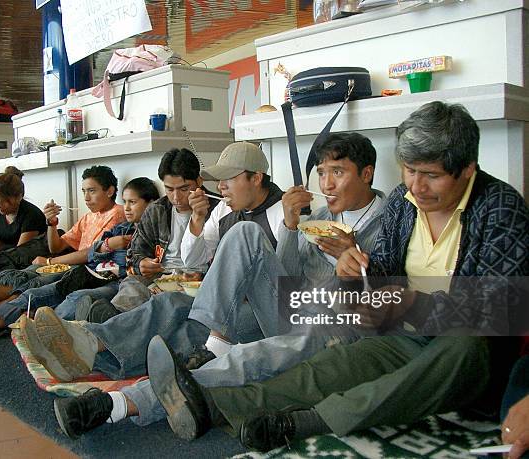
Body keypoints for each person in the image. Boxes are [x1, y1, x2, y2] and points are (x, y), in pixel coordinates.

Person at [146, 101, 529, 451]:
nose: (417, 186)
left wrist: (402, 304)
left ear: (467, 171)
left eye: (431, 176)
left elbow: (494, 313)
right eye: (409, 171)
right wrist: (353, 268)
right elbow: (378, 280)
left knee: (461, 346)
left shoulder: (500, 208)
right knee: (326, 368)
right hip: (398, 332)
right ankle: (216, 405)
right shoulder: (403, 201)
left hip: (464, 351)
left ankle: (312, 421)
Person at [47, 133, 390, 439]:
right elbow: (287, 277)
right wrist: (290, 226)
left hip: (338, 327)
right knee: (241, 238)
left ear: (367, 173)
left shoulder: (391, 223)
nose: (327, 184)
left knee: (247, 356)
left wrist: (356, 263)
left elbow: (392, 309)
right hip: (287, 308)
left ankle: (118, 403)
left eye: (338, 173)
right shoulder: (318, 219)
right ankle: (210, 343)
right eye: (322, 174)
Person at [21, 142, 285, 386]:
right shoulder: (221, 210)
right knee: (163, 303)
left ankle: (96, 348)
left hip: (258, 309)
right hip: (190, 290)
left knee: (186, 324)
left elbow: (282, 286)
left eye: (230, 179)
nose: (222, 187)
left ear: (256, 177)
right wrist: (196, 220)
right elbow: (189, 257)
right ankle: (89, 343)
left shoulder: (285, 212)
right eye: (222, 179)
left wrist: (293, 231)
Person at [0, 165, 125, 342]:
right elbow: (57, 245)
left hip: (86, 270)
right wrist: (51, 224)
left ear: (110, 191)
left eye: (92, 191)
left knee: (28, 284)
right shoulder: (89, 217)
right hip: (68, 263)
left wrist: (50, 260)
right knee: (17, 278)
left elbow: (92, 253)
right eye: (83, 191)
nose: (86, 197)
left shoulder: (117, 214)